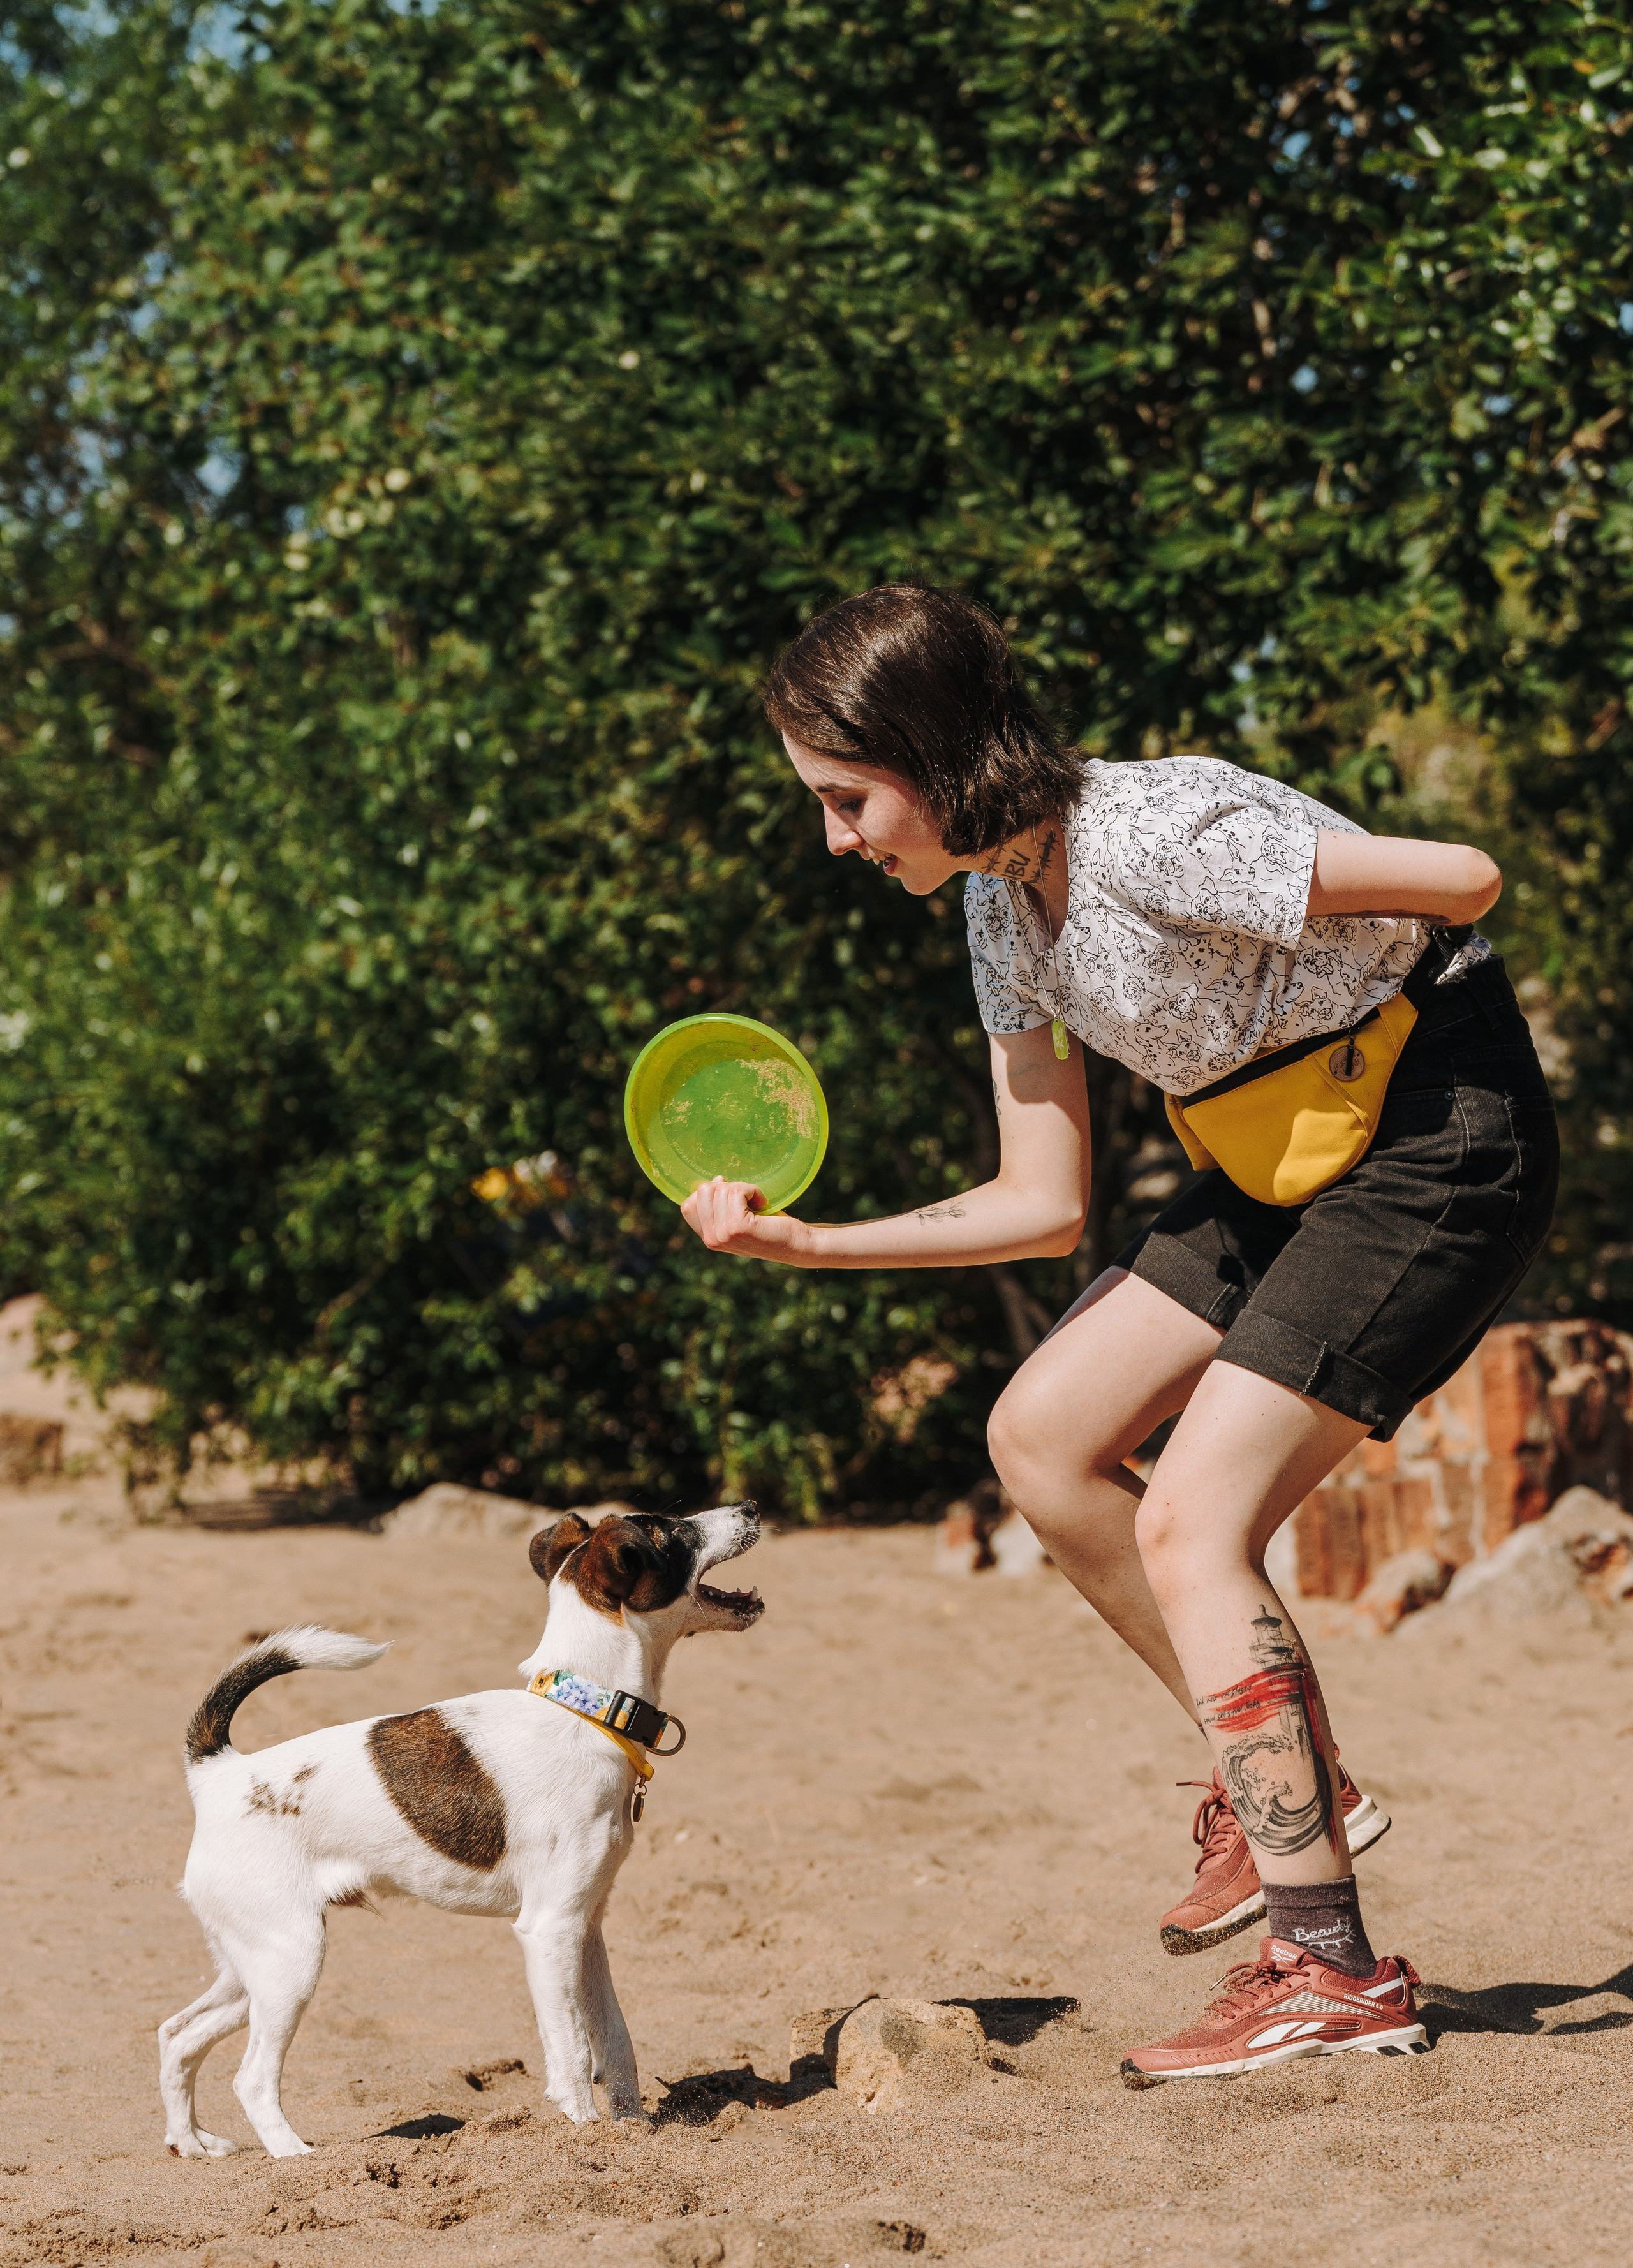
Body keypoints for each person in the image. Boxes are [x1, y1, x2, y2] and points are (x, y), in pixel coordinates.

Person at [679, 585, 1558, 2084]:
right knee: (1039, 1433)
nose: (835, 838)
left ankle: (1327, 1963)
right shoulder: (991, 906)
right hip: (1276, 1156)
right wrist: (802, 1240)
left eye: (846, 797)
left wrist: (1295, 889)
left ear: (935, 753)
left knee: (1195, 1521)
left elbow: (1465, 875)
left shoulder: (1152, 829)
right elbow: (1040, 1199)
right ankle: (1289, 1784)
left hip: (1431, 1133)